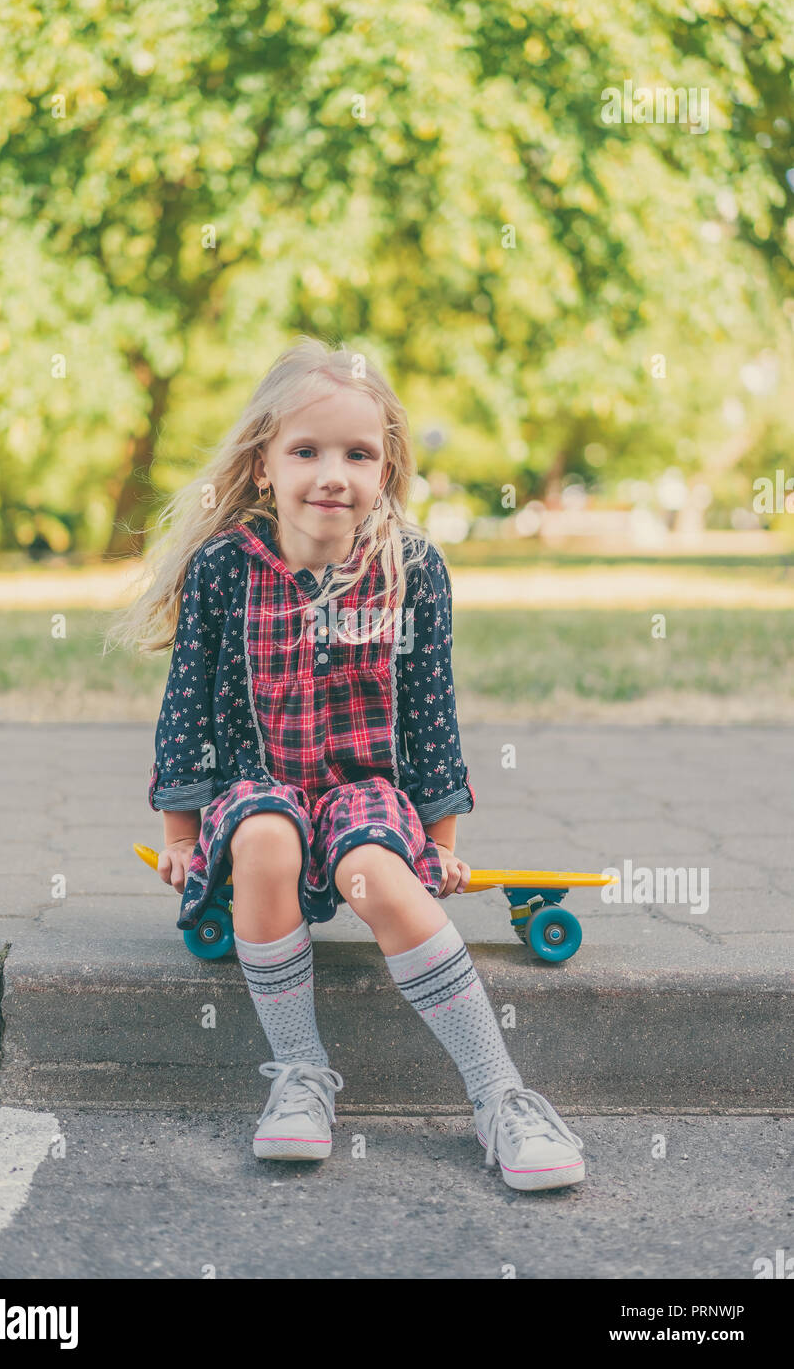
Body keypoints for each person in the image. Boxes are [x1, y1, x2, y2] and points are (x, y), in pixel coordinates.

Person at [109, 336, 585, 1192]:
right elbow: (187, 707)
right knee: (261, 837)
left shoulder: (411, 570)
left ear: (387, 468)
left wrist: (438, 843)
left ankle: (499, 1096)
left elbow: (431, 717)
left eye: (357, 454)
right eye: (306, 451)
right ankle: (300, 1078)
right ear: (263, 466)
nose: (332, 473)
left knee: (376, 872)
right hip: (259, 786)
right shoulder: (225, 570)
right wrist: (180, 833)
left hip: (368, 795)